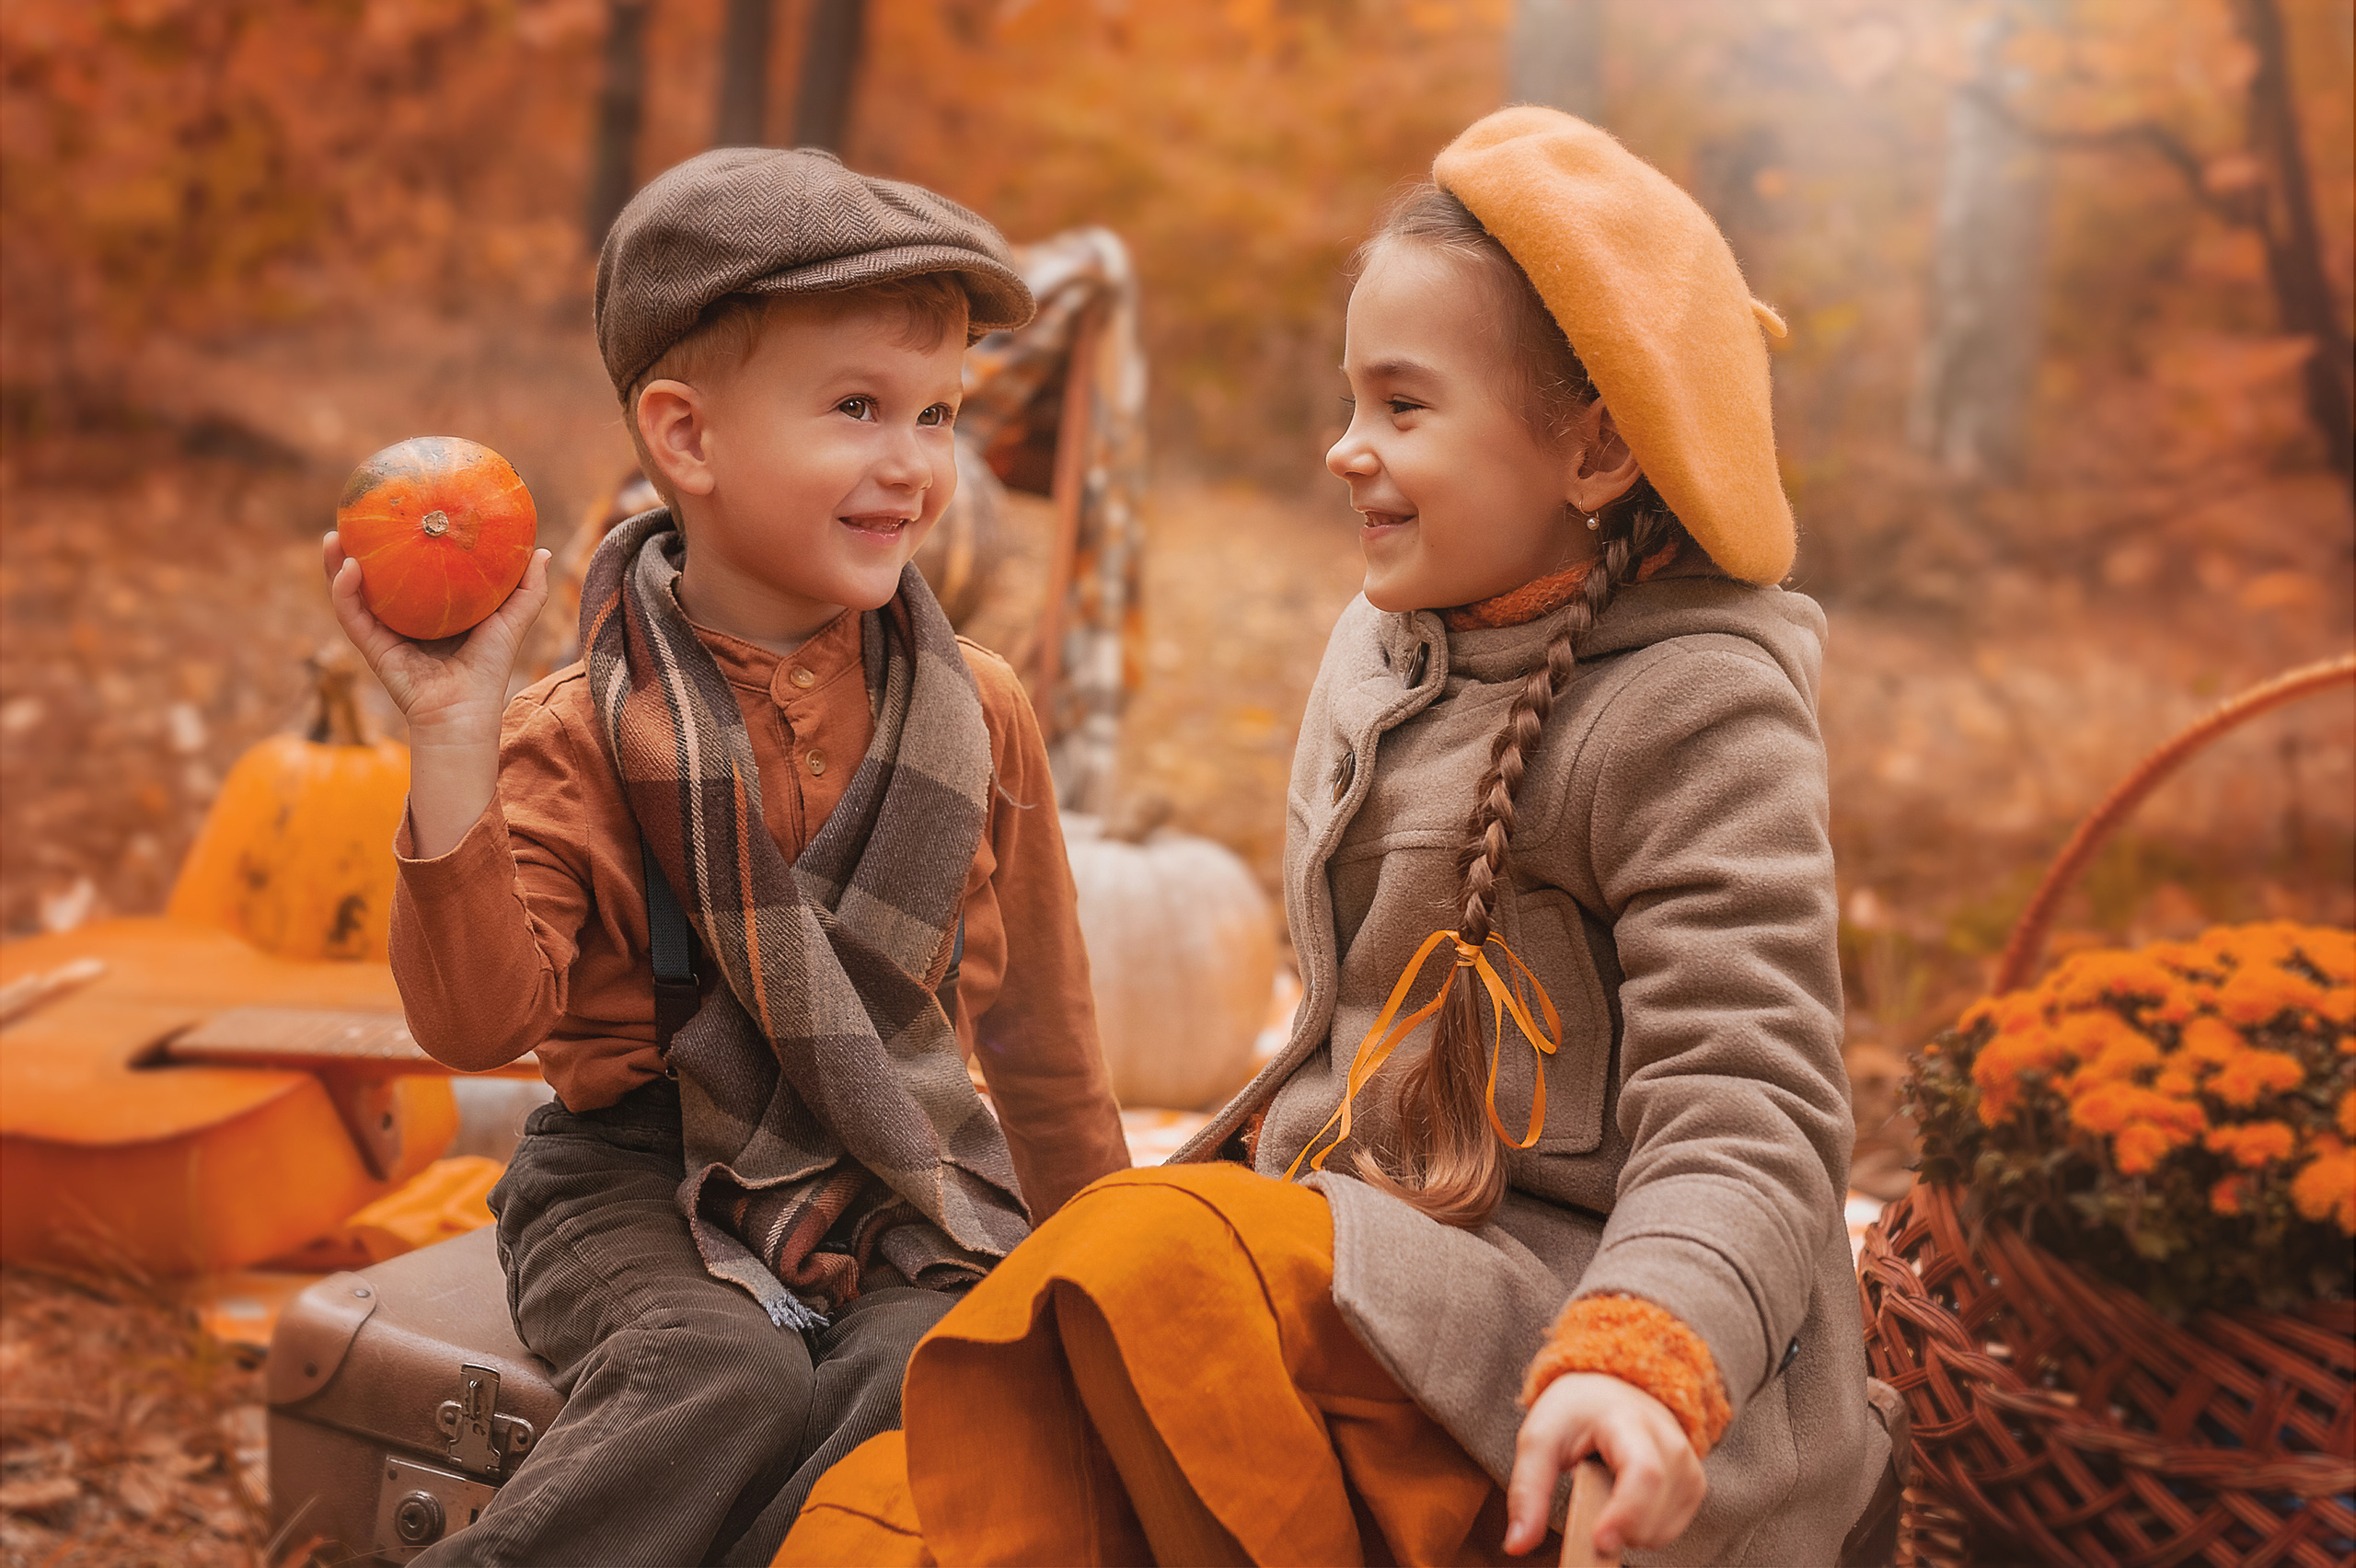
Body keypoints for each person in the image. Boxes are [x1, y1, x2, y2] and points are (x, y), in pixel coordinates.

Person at [780, 107, 1895, 1567]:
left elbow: (1750, 1104)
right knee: (928, 1467)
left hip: (1565, 1349)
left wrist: (1649, 1351)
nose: (1343, 449)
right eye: (1350, 397)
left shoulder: (1695, 710)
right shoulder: (1383, 647)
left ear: (1601, 447)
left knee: (1140, 1257)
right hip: (1367, 1274)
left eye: (1404, 407)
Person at [326, 147, 1129, 1566]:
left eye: (938, 413)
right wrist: (451, 740)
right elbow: (473, 1023)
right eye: (859, 408)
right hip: (633, 1172)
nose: (913, 461)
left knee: (934, 1369)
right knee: (724, 1377)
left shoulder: (975, 714)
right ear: (687, 439)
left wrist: (1104, 1261)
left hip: (885, 1163)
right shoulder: (576, 732)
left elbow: (1042, 1042)